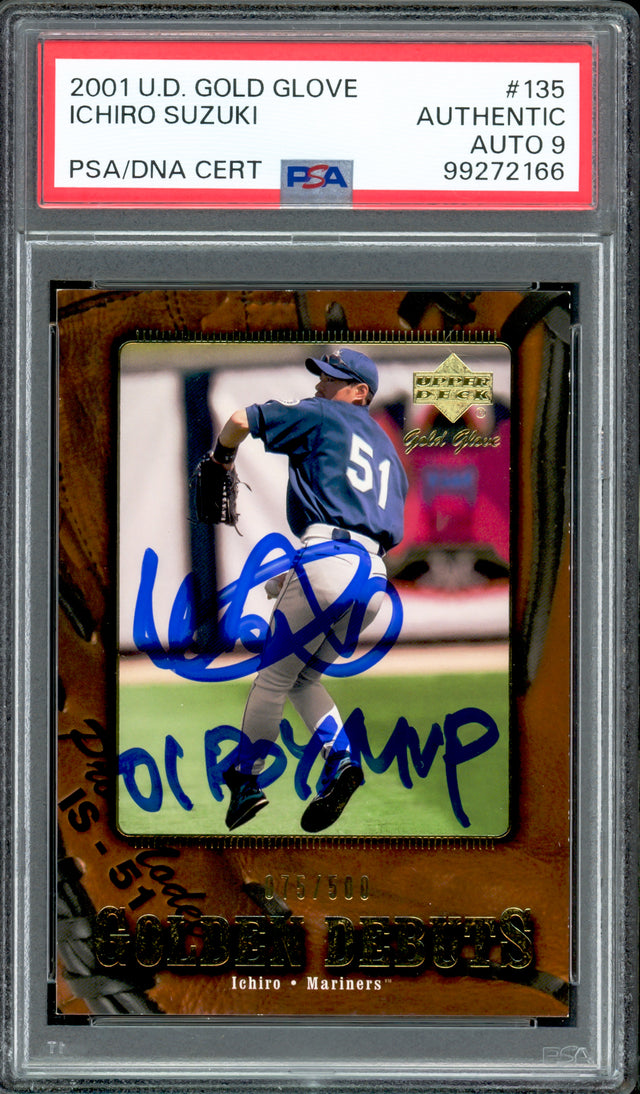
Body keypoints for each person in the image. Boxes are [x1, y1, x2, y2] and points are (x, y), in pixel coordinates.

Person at [212, 347, 408, 832]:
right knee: (302, 679)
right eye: (322, 375)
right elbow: (377, 528)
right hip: (373, 578)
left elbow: (239, 420)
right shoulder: (389, 451)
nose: (320, 384)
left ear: (360, 392)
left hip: (327, 560)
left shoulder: (323, 414)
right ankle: (342, 761)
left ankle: (246, 781)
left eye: (332, 378)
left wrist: (221, 460)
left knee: (273, 678)